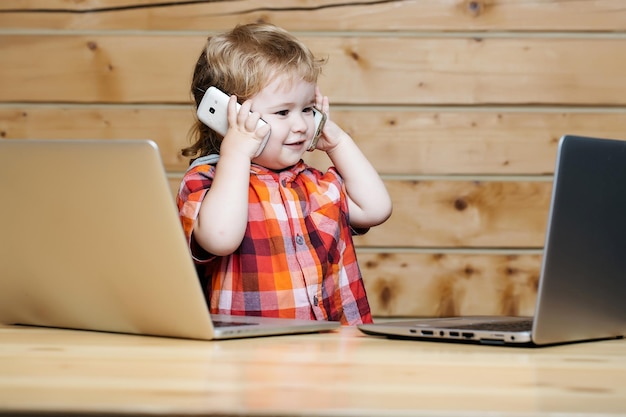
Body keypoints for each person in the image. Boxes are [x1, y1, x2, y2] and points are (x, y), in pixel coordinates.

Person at [177, 23, 392, 325]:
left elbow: (376, 208)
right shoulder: (206, 183)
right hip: (252, 359)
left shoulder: (316, 184)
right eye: (283, 112)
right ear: (230, 115)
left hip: (336, 350)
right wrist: (237, 152)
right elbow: (220, 238)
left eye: (307, 109)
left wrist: (338, 141)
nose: (302, 125)